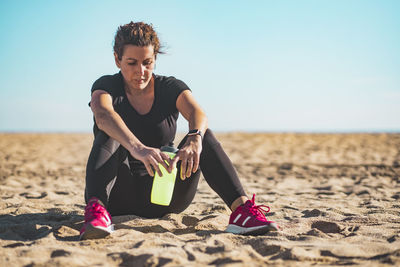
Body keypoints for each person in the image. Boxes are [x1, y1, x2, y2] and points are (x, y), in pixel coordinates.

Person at [80, 21, 278, 240]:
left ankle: (242, 213)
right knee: (109, 133)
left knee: (204, 135)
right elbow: (103, 115)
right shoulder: (106, 86)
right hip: (118, 194)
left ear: (155, 59)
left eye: (147, 62)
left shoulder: (170, 87)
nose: (141, 71)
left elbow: (197, 113)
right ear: (117, 59)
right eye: (132, 63)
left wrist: (195, 138)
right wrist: (138, 148)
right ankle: (97, 212)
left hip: (165, 195)